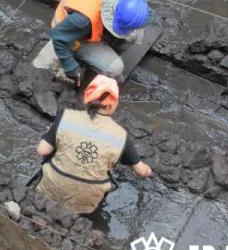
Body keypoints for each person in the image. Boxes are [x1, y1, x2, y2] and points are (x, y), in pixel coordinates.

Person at [35, 75, 152, 214]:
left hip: (49, 192)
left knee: (54, 147)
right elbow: (140, 171)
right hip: (84, 204)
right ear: (110, 104)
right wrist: (148, 170)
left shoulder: (66, 117)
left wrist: (52, 134)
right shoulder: (120, 135)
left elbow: (42, 150)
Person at [50, 0, 151, 86]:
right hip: (72, 35)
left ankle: (108, 52)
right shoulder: (83, 20)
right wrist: (69, 65)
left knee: (134, 35)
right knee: (115, 68)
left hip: (86, 22)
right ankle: (85, 58)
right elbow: (58, 36)